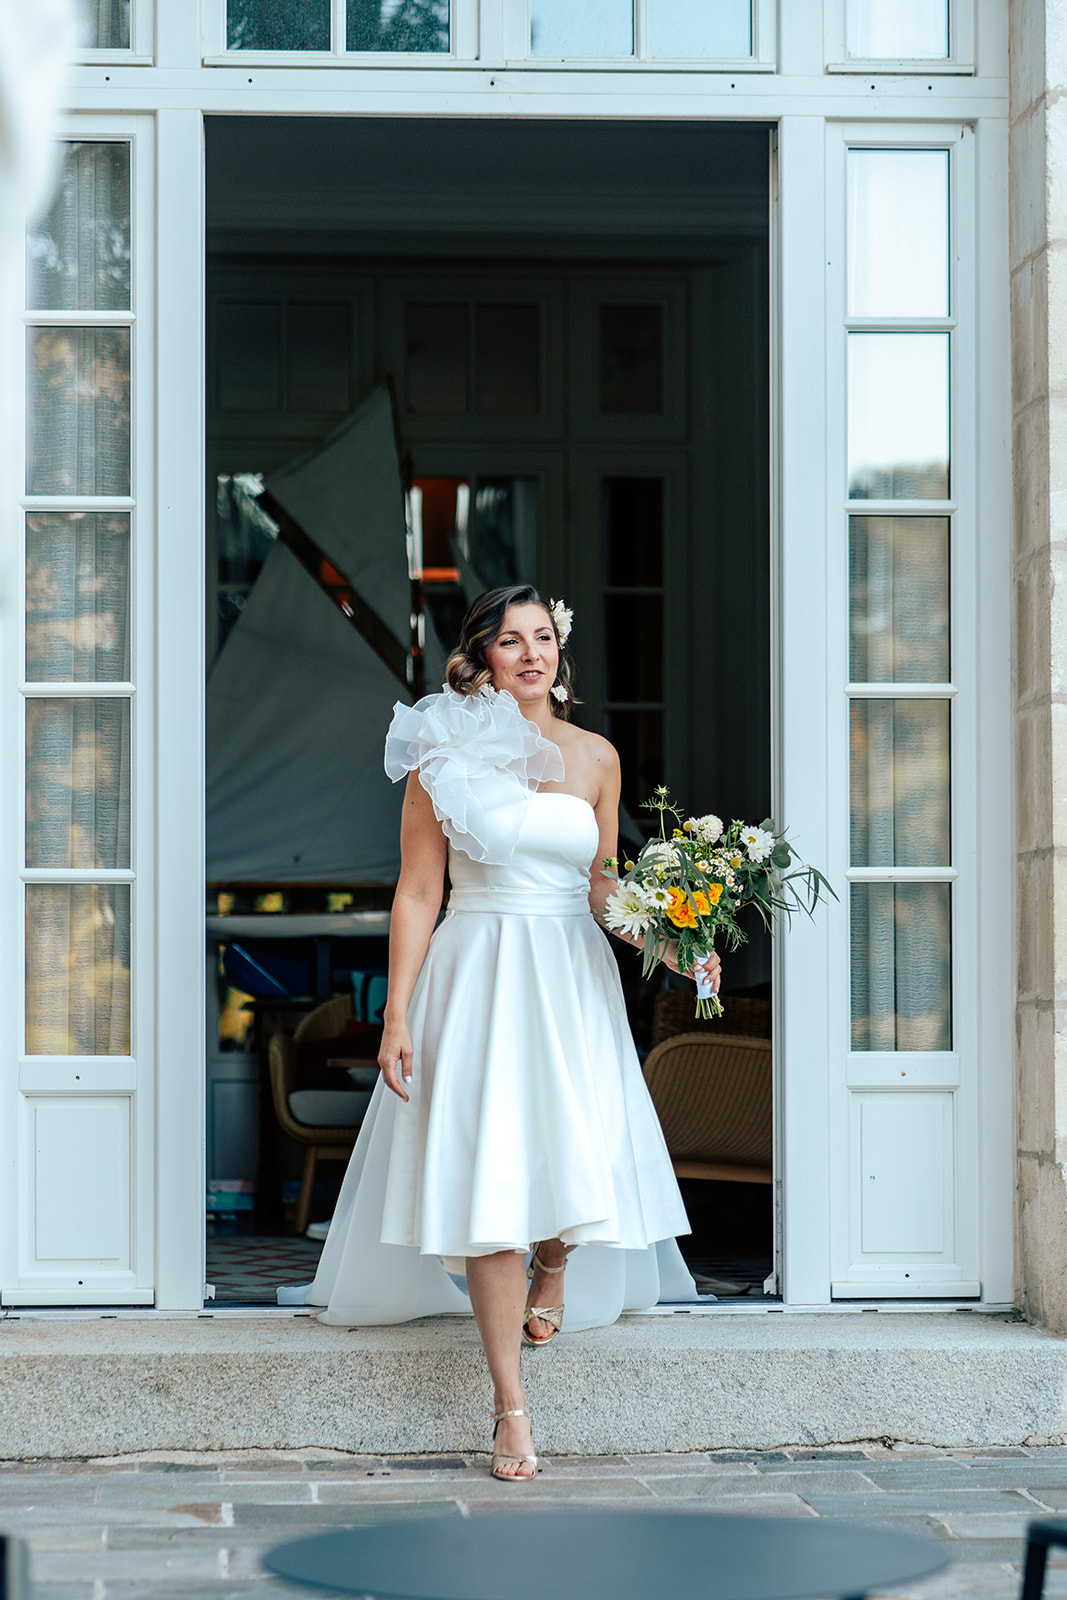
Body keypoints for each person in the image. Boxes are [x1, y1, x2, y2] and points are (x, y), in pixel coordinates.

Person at [279, 584, 720, 1482]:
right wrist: (397, 1012)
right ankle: (509, 1409)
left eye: (544, 638)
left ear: (562, 652)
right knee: (488, 1181)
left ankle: (553, 1260)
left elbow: (603, 887)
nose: (530, 654)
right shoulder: (442, 747)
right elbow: (416, 891)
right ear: (481, 656)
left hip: (568, 976)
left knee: (569, 1146)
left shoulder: (596, 756)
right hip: (476, 971)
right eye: (509, 640)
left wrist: (673, 944)